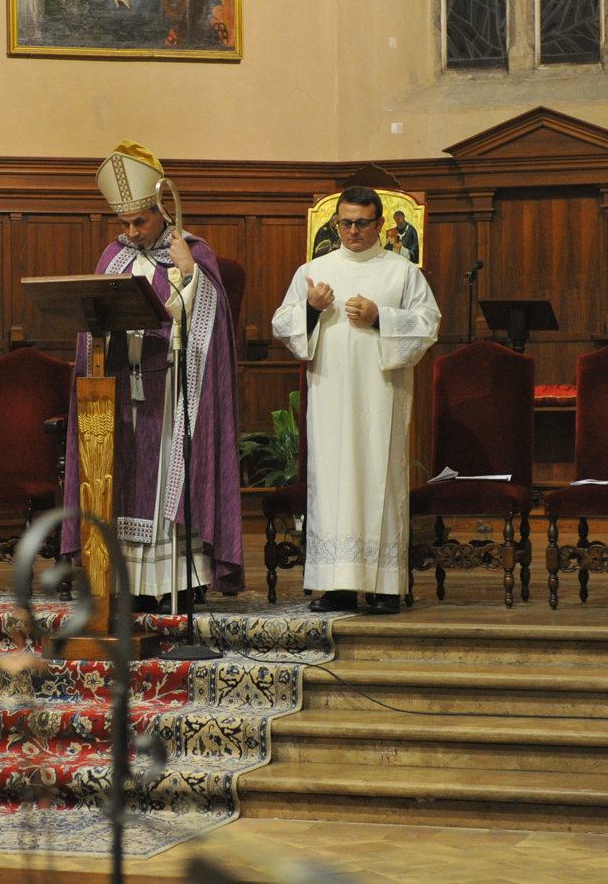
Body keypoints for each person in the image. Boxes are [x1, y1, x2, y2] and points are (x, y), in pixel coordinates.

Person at [61, 141, 244, 610]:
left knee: (166, 481)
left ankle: (177, 583)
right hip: (122, 389)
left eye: (139, 222)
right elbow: (92, 318)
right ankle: (126, 583)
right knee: (121, 482)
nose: (131, 232)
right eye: (124, 223)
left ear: (162, 211)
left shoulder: (194, 251)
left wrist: (189, 273)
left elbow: (213, 322)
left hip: (171, 391)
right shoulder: (114, 256)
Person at [271, 186, 441, 615]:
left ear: (380, 223)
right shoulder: (313, 271)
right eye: (345, 223)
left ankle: (385, 587)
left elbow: (428, 325)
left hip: (381, 398)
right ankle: (337, 587)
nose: (352, 231)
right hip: (330, 396)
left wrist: (380, 317)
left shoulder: (403, 272)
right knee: (332, 485)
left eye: (362, 223)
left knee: (379, 480)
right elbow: (282, 325)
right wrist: (311, 309)